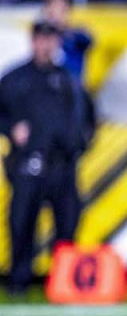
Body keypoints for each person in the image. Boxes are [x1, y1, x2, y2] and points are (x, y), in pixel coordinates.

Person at [1, 20, 92, 299]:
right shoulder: (15, 78)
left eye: (51, 39)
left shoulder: (69, 79)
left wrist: (80, 143)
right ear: (34, 41)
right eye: (41, 39)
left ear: (56, 43)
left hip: (62, 163)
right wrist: (10, 128)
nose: (46, 44)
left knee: (67, 225)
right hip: (28, 163)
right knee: (22, 223)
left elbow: (87, 116)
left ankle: (64, 281)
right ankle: (19, 280)